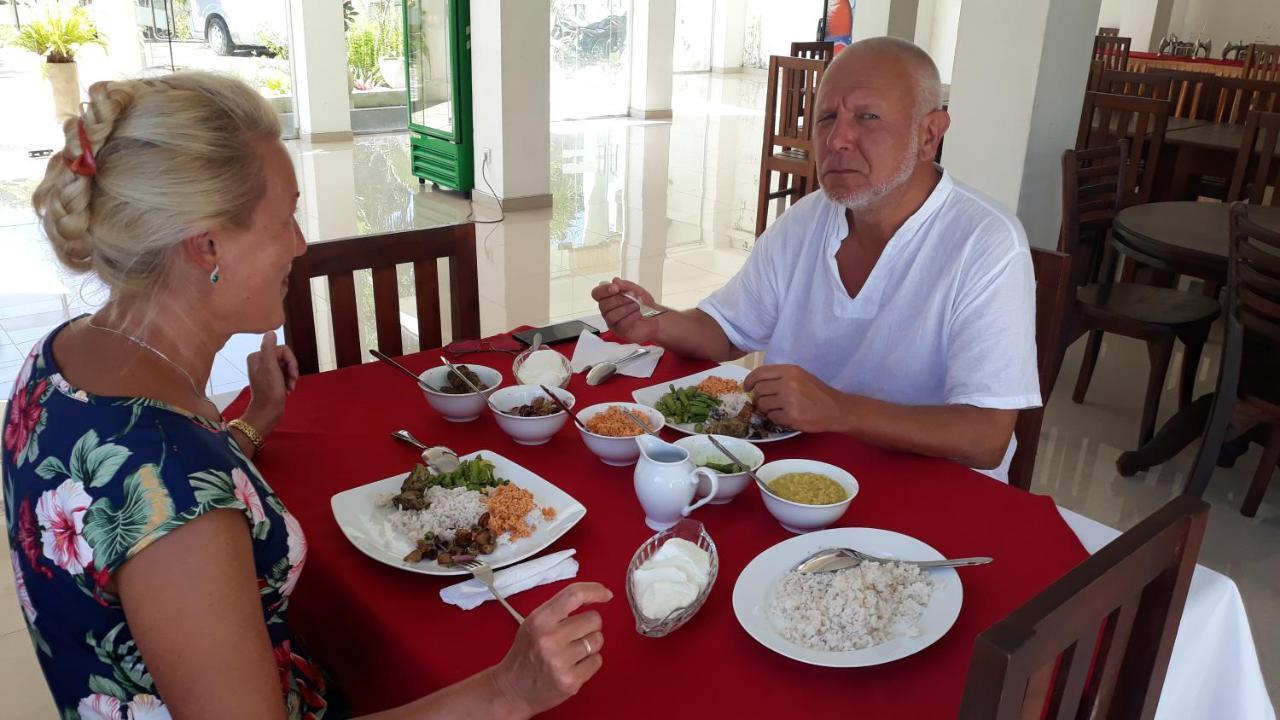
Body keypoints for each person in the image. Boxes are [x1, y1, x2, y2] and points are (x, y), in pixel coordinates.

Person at [4, 72, 608, 720]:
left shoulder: (64, 357)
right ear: (207, 245)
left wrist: (253, 425)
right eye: (286, 216)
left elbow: (143, 491)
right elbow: (170, 503)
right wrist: (505, 691)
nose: (299, 244)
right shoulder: (178, 500)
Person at [592, 37, 1039, 481]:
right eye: (826, 117)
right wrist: (654, 322)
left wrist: (838, 409)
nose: (838, 138)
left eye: (867, 117)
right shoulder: (807, 220)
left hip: (928, 491)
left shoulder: (986, 244)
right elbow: (727, 332)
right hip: (793, 476)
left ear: (929, 134)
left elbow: (986, 437)